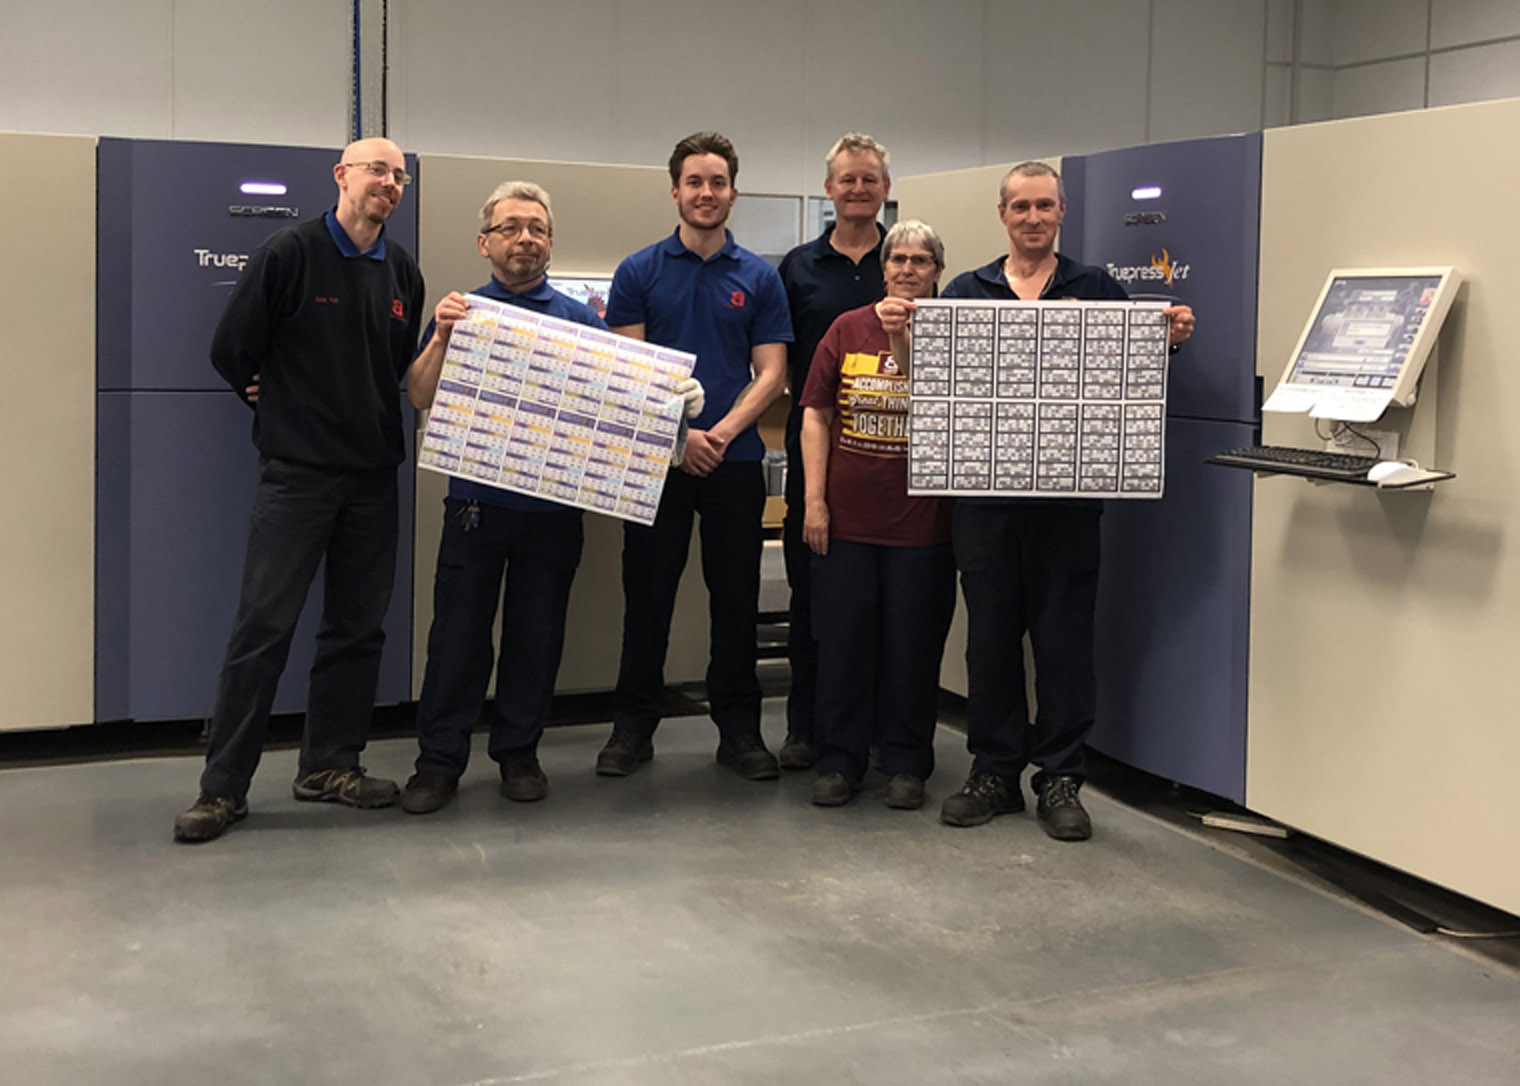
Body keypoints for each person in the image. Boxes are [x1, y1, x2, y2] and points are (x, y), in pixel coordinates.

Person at [397, 182, 697, 814]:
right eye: (510, 228)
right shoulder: (461, 312)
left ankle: (519, 753)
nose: (524, 239)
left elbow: (622, 406)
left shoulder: (581, 322)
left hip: (553, 513)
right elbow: (420, 395)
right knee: (457, 640)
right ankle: (438, 763)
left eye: (536, 228)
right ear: (484, 243)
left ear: (551, 244)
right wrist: (441, 338)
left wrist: (675, 404)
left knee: (537, 637)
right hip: (475, 507)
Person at [174, 138, 427, 842]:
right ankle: (222, 789)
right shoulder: (289, 253)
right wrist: (265, 394)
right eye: (377, 170)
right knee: (264, 629)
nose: (389, 183)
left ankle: (330, 767)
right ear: (342, 176)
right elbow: (231, 348)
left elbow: (400, 371)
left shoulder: (403, 271)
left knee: (357, 629)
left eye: (399, 175)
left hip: (373, 478)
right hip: (297, 476)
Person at [936, 161, 1196, 840]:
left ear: (1062, 212)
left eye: (1044, 206)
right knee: (990, 644)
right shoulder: (965, 292)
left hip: (1068, 503)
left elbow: (1128, 382)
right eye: (1020, 206)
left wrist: (1164, 342)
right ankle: (994, 773)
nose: (1032, 217)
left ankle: (1060, 778)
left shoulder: (1098, 289)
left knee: (1064, 644)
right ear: (1002, 214)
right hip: (985, 503)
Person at [597, 131, 793, 781]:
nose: (706, 193)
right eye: (694, 182)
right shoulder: (638, 272)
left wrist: (720, 434)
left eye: (717, 182)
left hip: (733, 464)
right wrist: (681, 440)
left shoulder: (759, 277)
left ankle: (740, 732)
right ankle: (632, 728)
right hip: (657, 463)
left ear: (733, 193)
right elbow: (629, 370)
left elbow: (771, 372)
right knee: (647, 597)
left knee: (735, 599)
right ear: (675, 191)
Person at [799, 220, 954, 809]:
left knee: (913, 648)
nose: (908, 269)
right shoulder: (845, 328)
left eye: (920, 260)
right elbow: (816, 413)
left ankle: (907, 762)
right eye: (898, 259)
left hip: (923, 526)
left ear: (938, 272)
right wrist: (815, 501)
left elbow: (946, 404)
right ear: (883, 269)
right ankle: (840, 760)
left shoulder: (955, 332)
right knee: (844, 645)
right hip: (848, 523)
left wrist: (904, 338)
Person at [775, 133, 893, 771]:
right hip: (817, 452)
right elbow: (780, 363)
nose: (858, 189)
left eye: (869, 179)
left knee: (882, 601)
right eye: (847, 179)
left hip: (891, 457)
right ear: (829, 189)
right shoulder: (797, 268)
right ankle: (806, 725)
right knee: (812, 591)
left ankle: (871, 730)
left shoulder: (903, 263)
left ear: (885, 189)